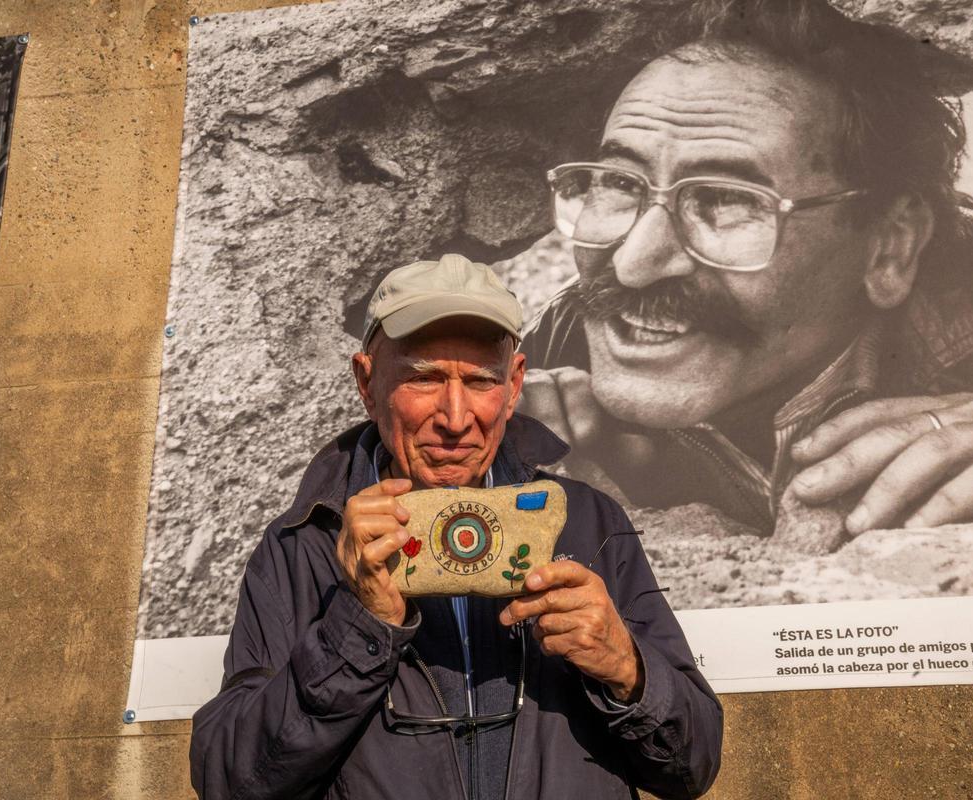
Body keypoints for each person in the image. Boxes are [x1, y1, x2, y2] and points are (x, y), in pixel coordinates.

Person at [519, 0, 973, 538]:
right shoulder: (562, 342)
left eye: (729, 200)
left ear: (889, 247)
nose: (632, 266)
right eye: (618, 183)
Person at [189, 253, 723, 800]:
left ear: (515, 386)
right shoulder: (301, 544)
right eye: (424, 378)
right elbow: (231, 782)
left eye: (480, 380)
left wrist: (627, 668)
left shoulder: (589, 522)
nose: (455, 417)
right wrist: (358, 625)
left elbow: (693, 765)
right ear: (366, 383)